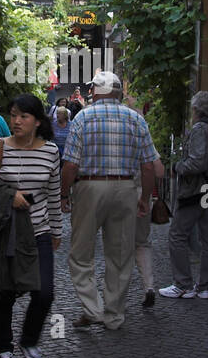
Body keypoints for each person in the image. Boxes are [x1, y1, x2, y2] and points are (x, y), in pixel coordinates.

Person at [60, 71, 158, 330]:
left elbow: (70, 164)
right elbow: (149, 167)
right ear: (118, 93)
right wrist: (145, 198)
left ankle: (92, 309)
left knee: (81, 254)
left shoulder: (83, 117)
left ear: (95, 92)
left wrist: (63, 194)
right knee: (121, 255)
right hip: (126, 187)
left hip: (89, 188)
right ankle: (114, 316)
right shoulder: (135, 118)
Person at [0, 94, 62, 358]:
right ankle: (2, 349)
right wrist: (8, 194)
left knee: (45, 292)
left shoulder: (51, 151)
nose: (16, 121)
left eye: (23, 116)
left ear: (37, 121)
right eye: (13, 115)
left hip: (39, 230)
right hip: (6, 231)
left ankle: (29, 339)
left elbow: (53, 194)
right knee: (5, 292)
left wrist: (56, 231)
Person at [160, 91, 208, 300]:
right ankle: (204, 286)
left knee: (177, 234)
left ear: (197, 110)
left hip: (194, 189)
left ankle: (182, 284)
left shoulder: (200, 129)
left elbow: (197, 162)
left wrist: (177, 167)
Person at [135, 157, 167, 308]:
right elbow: (159, 171)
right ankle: (149, 286)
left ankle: (116, 298)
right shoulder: (143, 135)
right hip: (143, 195)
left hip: (120, 193)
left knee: (118, 246)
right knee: (142, 243)